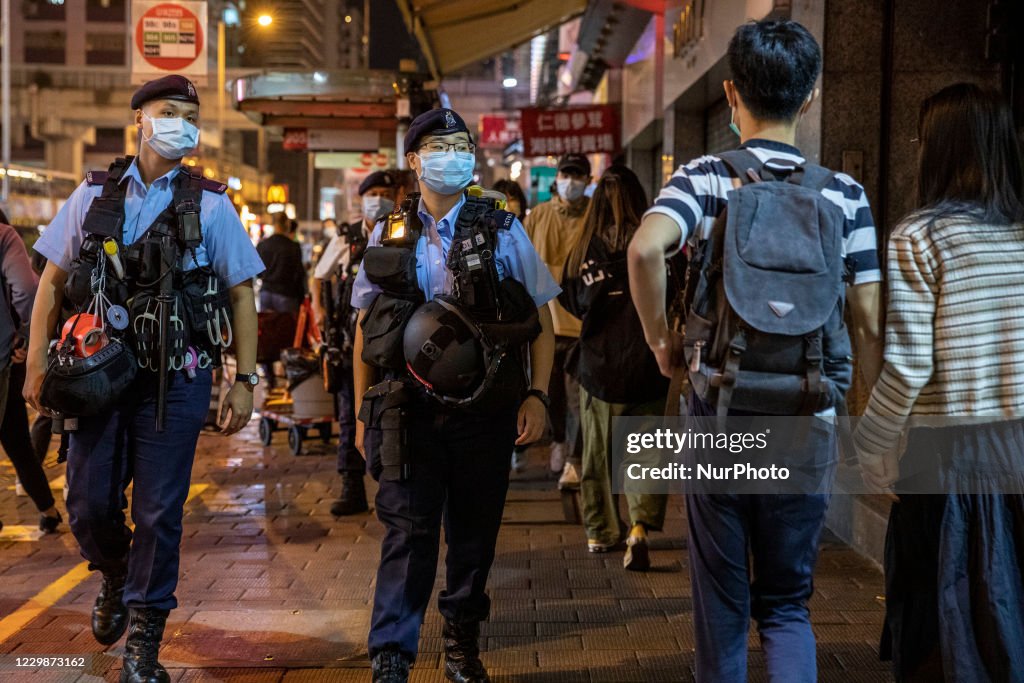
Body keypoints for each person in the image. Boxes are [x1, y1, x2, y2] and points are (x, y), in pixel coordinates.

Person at [628, 20, 882, 682]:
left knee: (721, 602)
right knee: (788, 605)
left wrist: (663, 344)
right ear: (810, 99)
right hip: (805, 425)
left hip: (721, 416)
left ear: (731, 93)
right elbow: (867, 318)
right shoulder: (845, 195)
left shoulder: (704, 178)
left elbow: (645, 249)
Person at [23, 74, 263, 683]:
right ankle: (113, 571)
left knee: (160, 512)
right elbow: (51, 281)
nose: (179, 120)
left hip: (177, 381)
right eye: (167, 110)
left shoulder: (210, 202)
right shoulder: (94, 193)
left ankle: (144, 645)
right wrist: (35, 362)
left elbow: (240, 295)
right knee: (86, 503)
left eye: (189, 112)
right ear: (140, 119)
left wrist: (245, 380)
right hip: (95, 377)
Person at [350, 107, 557, 683]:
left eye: (461, 144)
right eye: (439, 146)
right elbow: (362, 332)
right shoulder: (387, 233)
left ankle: (462, 643)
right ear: (414, 160)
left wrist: (537, 395)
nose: (453, 155)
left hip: (485, 411)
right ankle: (391, 655)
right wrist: (363, 417)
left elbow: (542, 318)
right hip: (405, 411)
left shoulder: (502, 229)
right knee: (407, 533)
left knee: (473, 534)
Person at [854, 83, 1024, 682]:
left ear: (938, 148)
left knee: (952, 624)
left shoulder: (920, 236)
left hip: (952, 458)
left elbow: (908, 365)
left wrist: (871, 442)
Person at [558, 165, 672, 568]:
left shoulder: (584, 248)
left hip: (599, 363)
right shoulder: (654, 243)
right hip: (648, 362)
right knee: (649, 452)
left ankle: (601, 531)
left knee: (598, 455)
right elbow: (674, 295)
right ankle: (639, 527)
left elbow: (570, 299)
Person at [312, 170, 398, 517]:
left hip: (393, 342)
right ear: (361, 198)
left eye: (385, 192)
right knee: (350, 416)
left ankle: (393, 486)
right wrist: (319, 312)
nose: (378, 198)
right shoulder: (347, 238)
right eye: (372, 192)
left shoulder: (403, 229)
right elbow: (318, 275)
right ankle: (352, 487)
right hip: (353, 343)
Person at [523, 153, 591, 487]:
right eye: (567, 173)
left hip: (581, 325)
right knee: (551, 393)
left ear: (588, 181)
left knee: (578, 397)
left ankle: (574, 458)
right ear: (557, 177)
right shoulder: (538, 216)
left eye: (578, 175)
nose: (571, 180)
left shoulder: (594, 215)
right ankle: (559, 442)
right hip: (544, 324)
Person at [0, 215, 61, 534]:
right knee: (17, 439)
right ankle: (48, 509)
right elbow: (26, 289)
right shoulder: (5, 236)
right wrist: (25, 333)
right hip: (6, 358)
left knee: (16, 436)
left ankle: (48, 509)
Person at [256, 212, 306, 313]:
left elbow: (258, 273)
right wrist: (302, 298)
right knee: (286, 327)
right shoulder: (293, 247)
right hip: (286, 294)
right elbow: (299, 275)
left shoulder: (262, 245)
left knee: (266, 326)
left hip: (266, 293)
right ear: (287, 224)